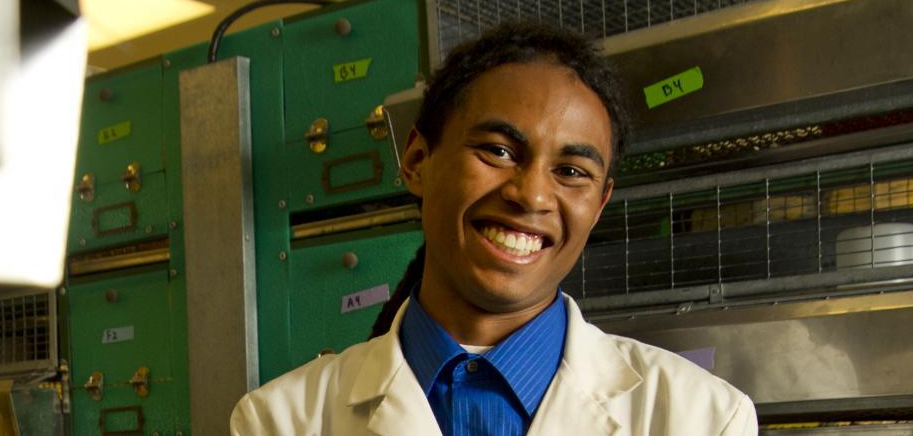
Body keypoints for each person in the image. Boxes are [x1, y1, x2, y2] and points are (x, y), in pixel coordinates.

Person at [229, 23, 757, 435]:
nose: (530, 195)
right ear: (416, 160)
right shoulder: (279, 422)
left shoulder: (702, 419)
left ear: (598, 205)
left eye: (572, 172)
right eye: (498, 151)